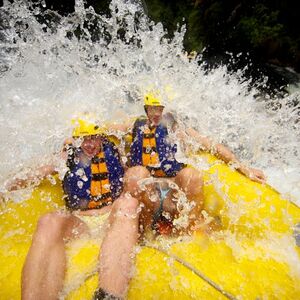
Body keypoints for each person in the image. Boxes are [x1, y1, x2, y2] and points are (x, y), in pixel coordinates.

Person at [7, 117, 146, 300]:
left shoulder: (115, 150)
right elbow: (32, 174)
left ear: (101, 136)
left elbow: (133, 126)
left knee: (128, 204)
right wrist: (7, 186)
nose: (89, 144)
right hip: (81, 223)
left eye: (94, 138)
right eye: (84, 139)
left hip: (112, 218)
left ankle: (110, 296)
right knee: (50, 220)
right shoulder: (66, 157)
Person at [110, 92, 266, 233]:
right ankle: (143, 233)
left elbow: (210, 144)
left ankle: (185, 232)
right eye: (152, 109)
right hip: (147, 195)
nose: (157, 114)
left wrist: (243, 168)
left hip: (172, 194)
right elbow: (107, 129)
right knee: (137, 174)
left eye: (160, 109)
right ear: (146, 110)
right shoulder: (135, 125)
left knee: (192, 176)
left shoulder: (177, 128)